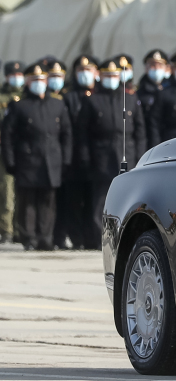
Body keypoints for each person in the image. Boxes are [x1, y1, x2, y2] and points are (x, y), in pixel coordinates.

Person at [75, 59, 146, 249]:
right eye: (108, 75)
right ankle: (101, 238)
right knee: (101, 200)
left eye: (114, 75)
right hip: (102, 156)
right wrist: (85, 157)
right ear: (101, 76)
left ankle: (126, 238)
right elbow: (82, 133)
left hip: (127, 155)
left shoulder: (130, 99)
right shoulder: (92, 100)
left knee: (128, 201)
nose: (111, 79)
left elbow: (140, 132)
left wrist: (140, 156)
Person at [1, 64, 72, 250]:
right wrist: (10, 161)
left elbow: (66, 134)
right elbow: (8, 136)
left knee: (48, 202)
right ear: (27, 82)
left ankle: (45, 237)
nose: (39, 83)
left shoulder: (57, 104)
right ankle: (29, 237)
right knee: (28, 201)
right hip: (27, 160)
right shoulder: (19, 106)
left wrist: (66, 159)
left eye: (41, 80)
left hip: (51, 161)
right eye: (34, 80)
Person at [61, 54, 98, 248]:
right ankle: (76, 238)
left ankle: (92, 238)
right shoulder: (68, 97)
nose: (85, 74)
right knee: (74, 200)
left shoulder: (101, 95)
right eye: (81, 70)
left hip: (96, 156)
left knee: (93, 201)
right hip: (75, 156)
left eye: (88, 70)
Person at [0, 60, 23, 244]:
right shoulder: (2, 96)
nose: (16, 77)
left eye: (19, 74)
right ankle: (7, 229)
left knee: (23, 192)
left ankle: (20, 229)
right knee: (7, 191)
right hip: (5, 149)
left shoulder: (27, 95)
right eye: (13, 74)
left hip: (24, 150)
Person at [137, 49, 168, 122]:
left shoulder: (172, 88)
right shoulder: (140, 92)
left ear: (166, 68)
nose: (157, 68)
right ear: (146, 68)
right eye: (153, 65)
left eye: (160, 65)